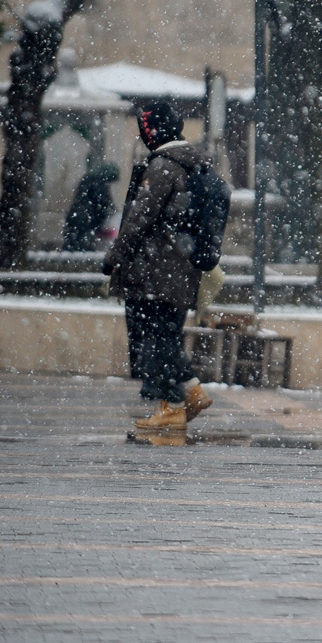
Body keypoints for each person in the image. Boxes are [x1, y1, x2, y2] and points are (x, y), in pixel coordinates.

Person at [103, 102, 213, 430]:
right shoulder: (194, 164)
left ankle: (172, 408)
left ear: (154, 131)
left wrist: (113, 259)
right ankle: (190, 394)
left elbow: (139, 219)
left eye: (144, 128)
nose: (142, 134)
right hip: (181, 267)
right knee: (167, 335)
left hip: (157, 270)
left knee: (159, 340)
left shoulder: (164, 166)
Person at [62, 162, 120, 251]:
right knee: (83, 248)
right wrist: (112, 212)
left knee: (72, 246)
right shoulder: (99, 182)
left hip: (76, 217)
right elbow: (104, 202)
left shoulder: (89, 179)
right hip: (86, 220)